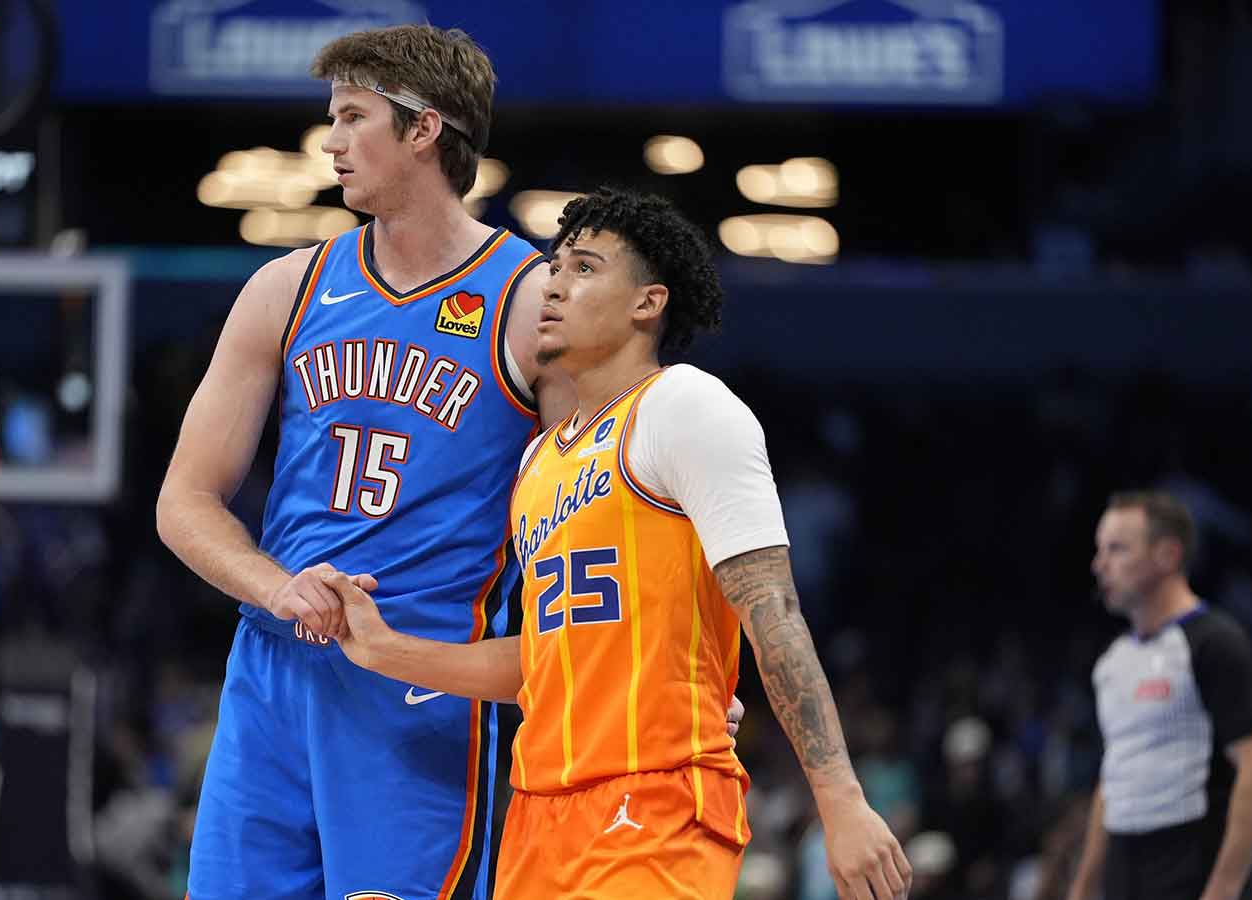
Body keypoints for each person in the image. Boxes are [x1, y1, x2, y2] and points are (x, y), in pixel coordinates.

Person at [323, 188, 912, 900]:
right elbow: (548, 658)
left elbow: (774, 613)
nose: (553, 285)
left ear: (647, 303)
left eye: (584, 268)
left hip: (656, 798)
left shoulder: (685, 407)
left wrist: (839, 799)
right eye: (553, 266)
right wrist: (385, 649)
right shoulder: (539, 462)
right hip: (539, 814)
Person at [157, 23, 572, 900]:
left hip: (418, 680)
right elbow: (184, 500)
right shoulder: (287, 287)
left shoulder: (530, 301)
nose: (331, 141)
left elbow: (594, 511)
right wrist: (277, 586)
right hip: (273, 670)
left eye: (353, 117)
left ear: (424, 129)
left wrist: (654, 659)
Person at [1067, 491, 1252, 900]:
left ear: (1167, 555)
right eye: (1099, 550)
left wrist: (1224, 888)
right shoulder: (1112, 662)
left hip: (1191, 864)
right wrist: (1083, 887)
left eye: (1116, 549)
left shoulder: (1214, 642)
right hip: (1123, 873)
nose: (1099, 564)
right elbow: (1113, 779)